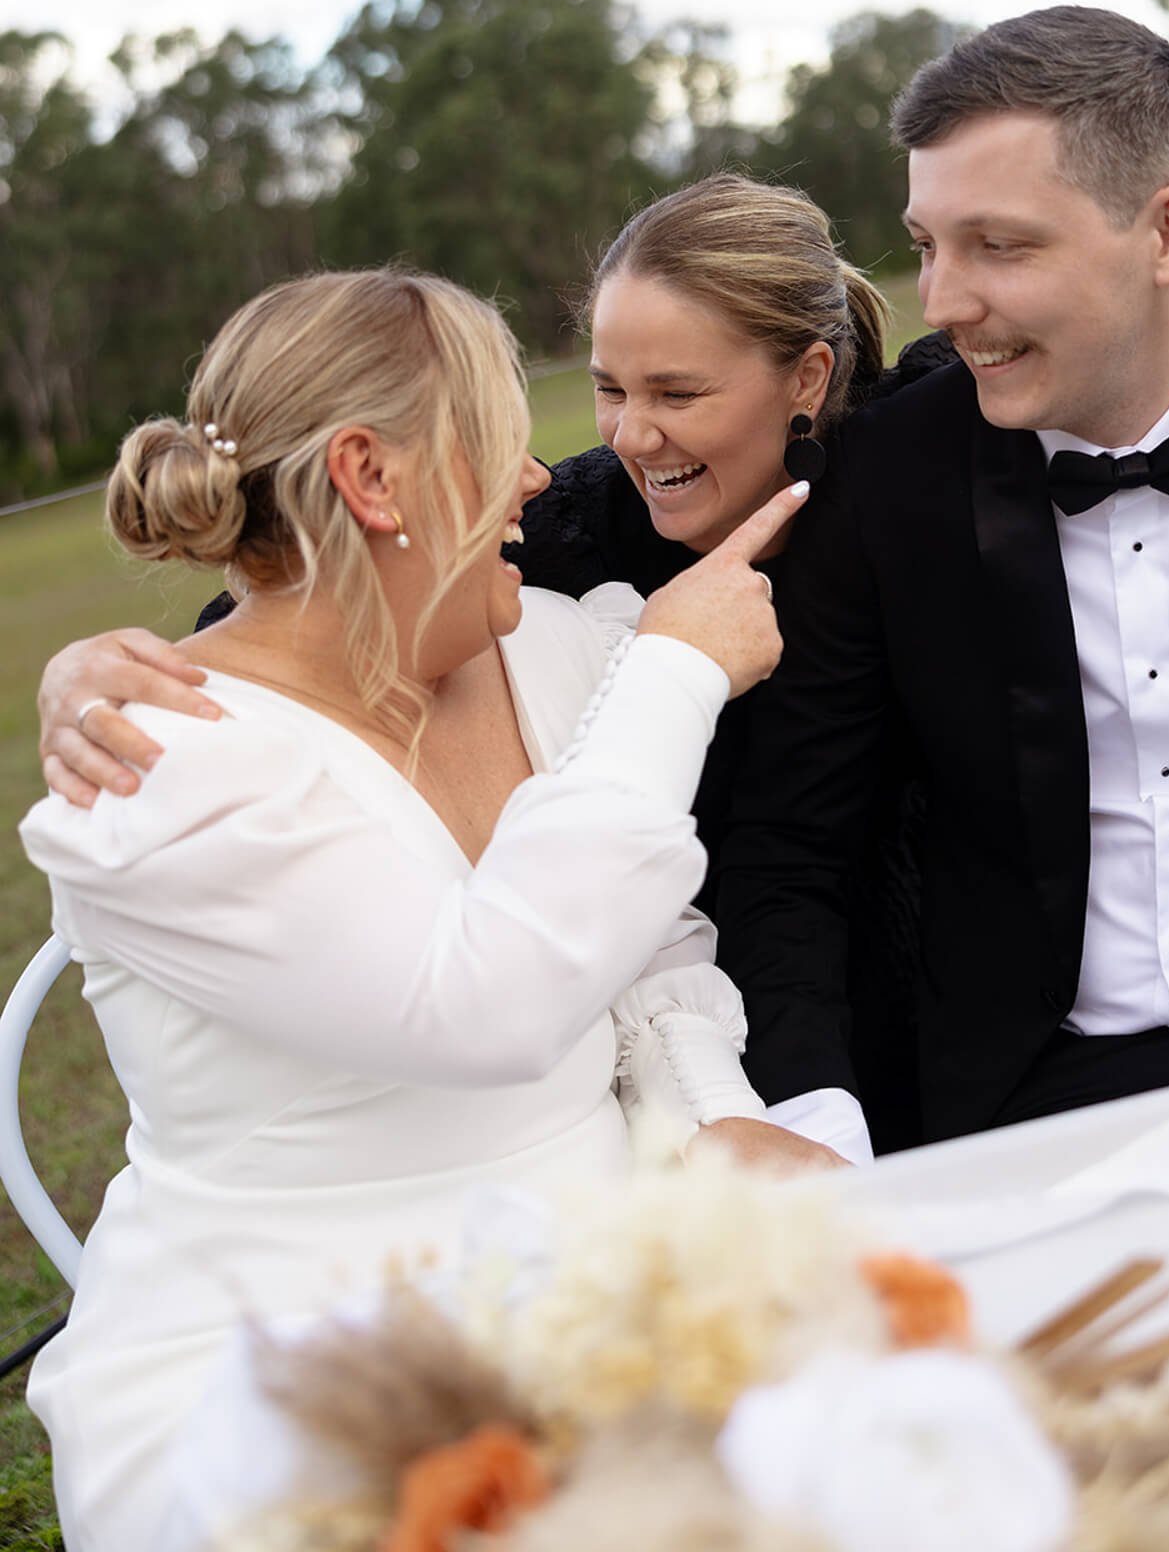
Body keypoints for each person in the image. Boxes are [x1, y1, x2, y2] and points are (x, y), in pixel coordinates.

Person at [36, 181, 1169, 1161]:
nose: (625, 432)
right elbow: (292, 598)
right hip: (656, 1002)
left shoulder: (932, 447)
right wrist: (94, 669)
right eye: (603, 387)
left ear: (808, 379)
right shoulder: (579, 528)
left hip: (925, 1001)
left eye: (675, 390)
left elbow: (1102, 351)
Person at [17, 267, 812, 1552]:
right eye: (500, 447)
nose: (538, 482)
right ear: (372, 479)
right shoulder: (154, 766)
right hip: (304, 1362)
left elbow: (647, 947)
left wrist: (712, 1118)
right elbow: (482, 1003)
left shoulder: (555, 648)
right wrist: (673, 673)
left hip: (601, 1279)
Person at [714, 6, 1169, 1157]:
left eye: (998, 246)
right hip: (1027, 1101)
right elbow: (789, 847)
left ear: (1168, 232)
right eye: (925, 244)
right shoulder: (885, 482)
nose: (941, 300)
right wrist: (808, 1108)